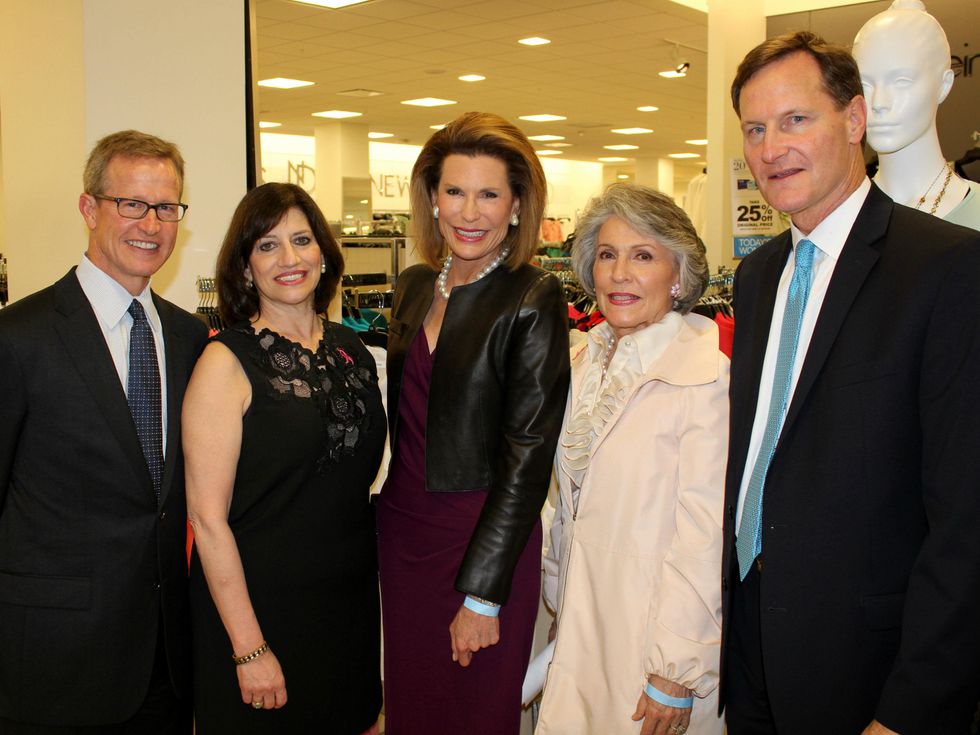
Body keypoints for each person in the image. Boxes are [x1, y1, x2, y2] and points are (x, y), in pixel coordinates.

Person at [721, 31, 980, 735]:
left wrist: (910, 706)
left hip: (868, 666)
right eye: (755, 128)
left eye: (795, 119)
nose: (772, 147)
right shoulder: (757, 276)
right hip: (749, 642)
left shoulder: (946, 268)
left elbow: (966, 518)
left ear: (855, 120)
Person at [0, 130, 207, 733]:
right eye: (132, 204)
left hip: (166, 664)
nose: (152, 223)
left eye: (167, 207)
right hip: (52, 661)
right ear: (89, 209)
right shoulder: (19, 338)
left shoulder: (191, 339)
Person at [377, 111, 570, 734]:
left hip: (480, 539)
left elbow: (528, 456)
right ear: (431, 199)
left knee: (475, 713)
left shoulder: (532, 296)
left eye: (489, 194)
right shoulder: (411, 288)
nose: (469, 211)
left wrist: (483, 594)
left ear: (517, 207)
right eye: (455, 191)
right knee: (413, 706)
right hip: (405, 534)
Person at [184, 183, 385, 733]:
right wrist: (249, 649)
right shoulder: (225, 362)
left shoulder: (355, 350)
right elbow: (207, 518)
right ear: (246, 268)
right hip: (258, 613)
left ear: (323, 252)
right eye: (268, 246)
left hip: (347, 609)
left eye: (302, 239)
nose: (290, 259)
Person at [536, 183, 728, 735]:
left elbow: (706, 536)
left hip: (655, 651)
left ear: (679, 275)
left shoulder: (707, 378)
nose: (620, 273)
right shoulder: (580, 361)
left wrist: (676, 670)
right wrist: (562, 609)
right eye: (607, 254)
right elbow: (568, 508)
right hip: (584, 626)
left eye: (643, 256)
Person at [852, 0, 979, 230]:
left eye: (901, 81)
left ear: (944, 85)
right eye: (865, 84)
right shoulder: (841, 217)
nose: (879, 102)